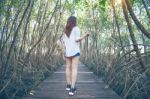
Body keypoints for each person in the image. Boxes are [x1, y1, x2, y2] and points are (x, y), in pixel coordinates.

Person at [61, 16, 90, 96]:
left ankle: (68, 85)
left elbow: (63, 42)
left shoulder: (65, 30)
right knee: (74, 69)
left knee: (67, 68)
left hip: (67, 52)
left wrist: (63, 52)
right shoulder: (76, 28)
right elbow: (77, 39)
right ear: (75, 21)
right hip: (75, 51)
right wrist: (85, 35)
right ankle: (72, 88)